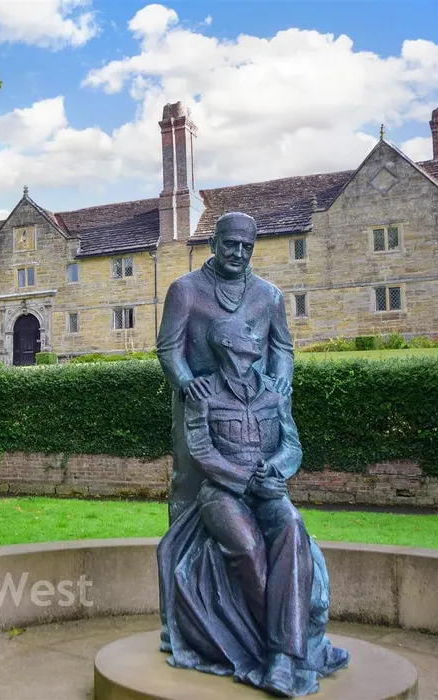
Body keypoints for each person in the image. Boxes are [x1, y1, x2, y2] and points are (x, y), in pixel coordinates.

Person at [157, 316, 349, 697]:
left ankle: (282, 658)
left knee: (292, 527)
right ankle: (290, 649)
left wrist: (275, 470)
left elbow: (291, 445)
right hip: (222, 494)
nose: (255, 338)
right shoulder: (203, 393)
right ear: (227, 344)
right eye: (246, 334)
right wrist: (244, 478)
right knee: (246, 547)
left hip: (268, 491)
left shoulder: (275, 393)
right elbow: (201, 451)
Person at [157, 212, 294, 525]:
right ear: (212, 243)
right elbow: (169, 347)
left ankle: (263, 551)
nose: (239, 253)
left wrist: (280, 386)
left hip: (253, 402)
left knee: (262, 477)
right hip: (199, 399)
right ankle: (182, 558)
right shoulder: (185, 290)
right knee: (189, 479)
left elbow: (282, 347)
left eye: (247, 246)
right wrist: (187, 382)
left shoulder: (269, 295)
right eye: (231, 244)